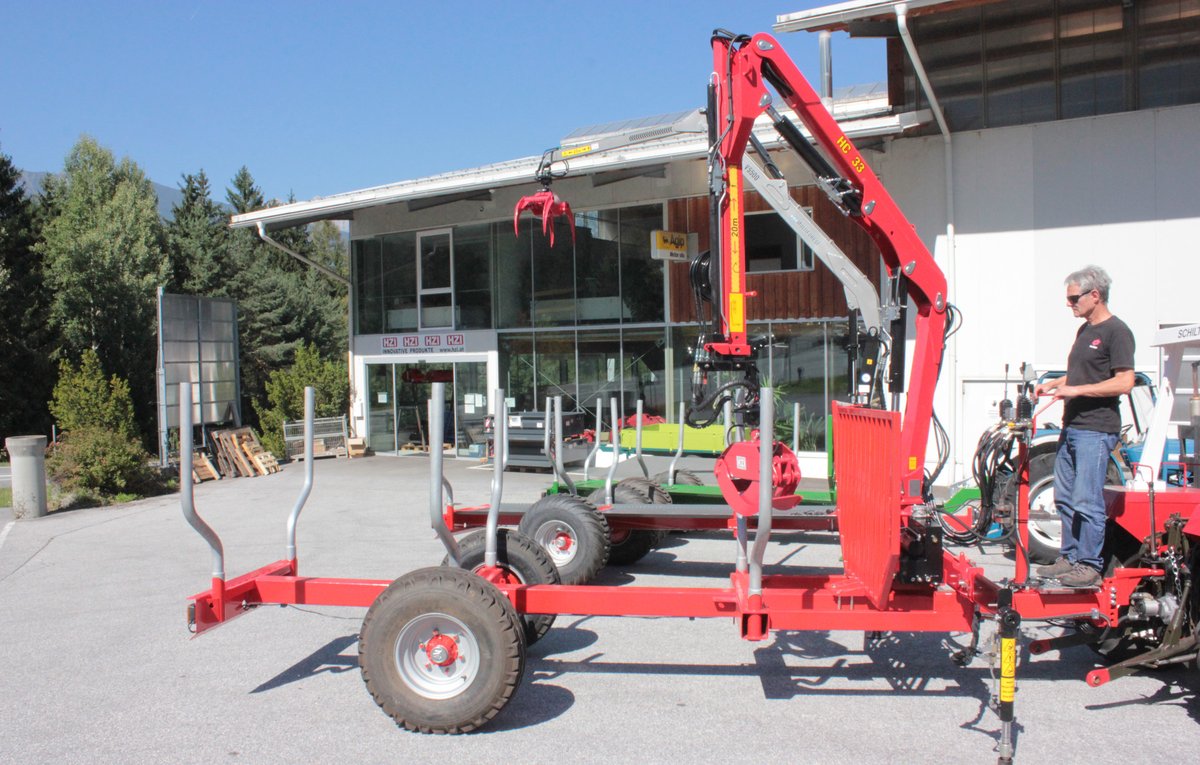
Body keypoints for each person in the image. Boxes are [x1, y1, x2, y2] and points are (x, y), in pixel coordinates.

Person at [1034, 266, 1135, 588]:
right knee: (1063, 497)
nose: (1069, 304)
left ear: (1095, 295)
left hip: (1096, 429)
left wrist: (1074, 390)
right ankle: (1069, 557)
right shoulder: (1084, 332)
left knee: (1086, 499)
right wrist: (1056, 383)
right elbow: (1083, 377)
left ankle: (1089, 564)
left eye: (1074, 298)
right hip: (1073, 427)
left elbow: (1124, 382)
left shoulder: (1117, 332)